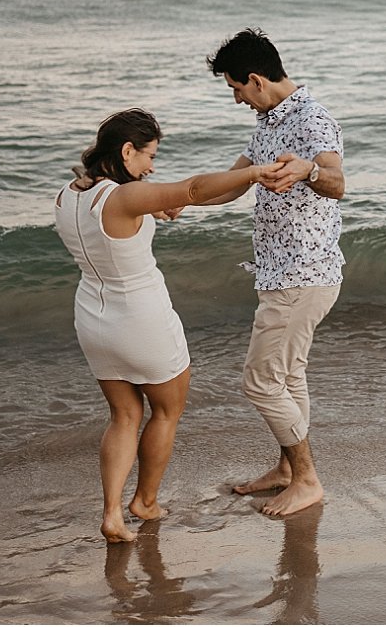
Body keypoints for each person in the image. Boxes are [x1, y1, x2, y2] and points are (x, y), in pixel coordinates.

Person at [54, 107, 280, 543]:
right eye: (149, 156)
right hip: (141, 318)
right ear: (126, 151)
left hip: (93, 319)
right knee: (167, 411)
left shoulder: (68, 195)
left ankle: (112, 515)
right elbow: (193, 189)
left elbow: (113, 225)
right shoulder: (123, 198)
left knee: (123, 416)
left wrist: (151, 212)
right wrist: (251, 173)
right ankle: (146, 501)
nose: (152, 166)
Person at [205, 27, 345, 516]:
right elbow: (233, 183)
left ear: (257, 79)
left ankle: (307, 479)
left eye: (236, 88)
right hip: (283, 273)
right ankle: (288, 470)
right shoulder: (267, 122)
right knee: (289, 376)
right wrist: (177, 202)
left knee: (259, 382)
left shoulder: (312, 119)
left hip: (301, 275)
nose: (237, 99)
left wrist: (307, 170)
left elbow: (336, 183)